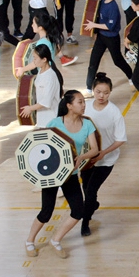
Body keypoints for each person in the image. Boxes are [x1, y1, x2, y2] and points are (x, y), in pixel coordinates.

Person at [25, 90, 99, 259]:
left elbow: (95, 149)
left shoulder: (87, 124)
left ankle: (56, 240)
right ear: (69, 106)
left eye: (84, 102)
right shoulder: (55, 123)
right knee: (46, 212)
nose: (84, 105)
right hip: (52, 174)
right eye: (80, 102)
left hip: (71, 174)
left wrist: (81, 157)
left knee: (78, 211)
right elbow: (42, 144)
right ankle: (29, 241)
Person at [81, 73, 127, 236]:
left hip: (106, 160)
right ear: (93, 90)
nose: (101, 96)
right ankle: (92, 205)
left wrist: (103, 153)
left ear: (110, 92)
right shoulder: (85, 107)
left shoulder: (114, 112)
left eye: (106, 93)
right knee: (86, 188)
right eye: (98, 92)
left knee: (91, 190)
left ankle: (85, 222)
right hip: (87, 158)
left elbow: (120, 139)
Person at [82, 0, 133, 94]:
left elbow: (110, 26)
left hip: (112, 38)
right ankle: (89, 88)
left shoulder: (113, 7)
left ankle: (131, 77)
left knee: (118, 61)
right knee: (93, 62)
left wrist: (94, 25)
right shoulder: (101, 2)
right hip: (101, 37)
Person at [19, 44, 63, 128]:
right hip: (42, 118)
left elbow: (46, 102)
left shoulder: (50, 77)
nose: (34, 61)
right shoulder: (40, 71)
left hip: (50, 119)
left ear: (44, 59)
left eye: (35, 58)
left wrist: (30, 108)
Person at [14, 12, 62, 78]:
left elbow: (36, 62)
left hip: (44, 75)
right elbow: (57, 50)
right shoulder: (51, 38)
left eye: (33, 23)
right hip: (52, 71)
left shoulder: (42, 43)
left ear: (40, 28)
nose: (32, 25)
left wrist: (22, 69)